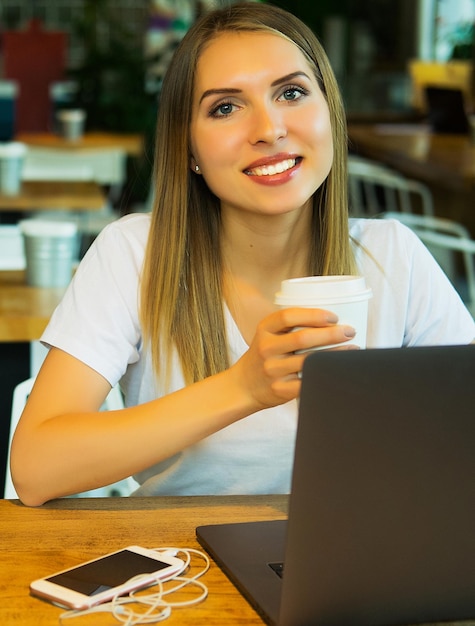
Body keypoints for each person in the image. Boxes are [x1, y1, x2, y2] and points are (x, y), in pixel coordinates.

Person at [11, 2, 475, 507]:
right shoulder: (135, 256)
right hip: (185, 567)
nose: (269, 129)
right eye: (225, 107)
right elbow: (36, 468)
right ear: (188, 148)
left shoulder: (394, 256)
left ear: (330, 113)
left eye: (292, 92)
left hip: (364, 562)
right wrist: (245, 387)